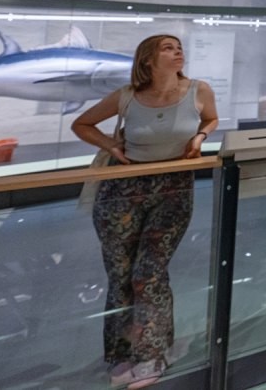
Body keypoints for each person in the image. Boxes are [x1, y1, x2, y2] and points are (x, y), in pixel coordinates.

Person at [72, 34, 218, 388]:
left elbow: (210, 120)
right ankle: (122, 352)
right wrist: (111, 144)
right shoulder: (127, 96)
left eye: (179, 46)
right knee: (120, 275)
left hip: (173, 188)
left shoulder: (198, 90)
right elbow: (82, 124)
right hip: (123, 191)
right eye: (167, 48)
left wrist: (200, 138)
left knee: (148, 272)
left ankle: (151, 352)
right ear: (148, 59)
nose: (177, 51)